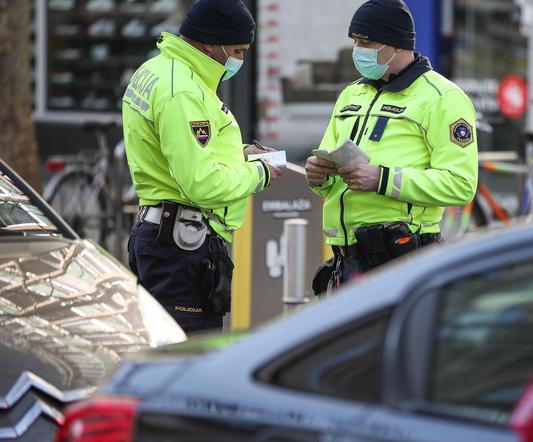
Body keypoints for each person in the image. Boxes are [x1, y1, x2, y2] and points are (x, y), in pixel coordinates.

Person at [122, 0, 280, 333]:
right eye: (237, 50)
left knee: (162, 353)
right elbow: (202, 183)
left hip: (160, 236)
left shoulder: (157, 71)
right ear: (210, 42)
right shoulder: (184, 91)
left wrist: (239, 153)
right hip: (181, 249)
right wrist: (259, 173)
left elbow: (182, 152)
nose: (240, 59)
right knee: (187, 360)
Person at [306, 0, 478, 294]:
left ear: (397, 44)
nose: (358, 49)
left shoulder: (443, 97)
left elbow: (460, 184)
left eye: (366, 42)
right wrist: (319, 177)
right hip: (346, 260)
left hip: (403, 256)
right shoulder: (351, 94)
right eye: (355, 41)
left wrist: (382, 179)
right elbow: (331, 179)